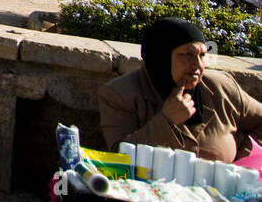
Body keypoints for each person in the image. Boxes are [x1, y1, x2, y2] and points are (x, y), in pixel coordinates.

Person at [98, 17, 262, 163]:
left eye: (202, 55)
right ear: (161, 57)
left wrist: (243, 159)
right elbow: (119, 157)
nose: (198, 65)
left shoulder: (221, 88)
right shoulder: (120, 94)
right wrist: (167, 121)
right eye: (187, 55)